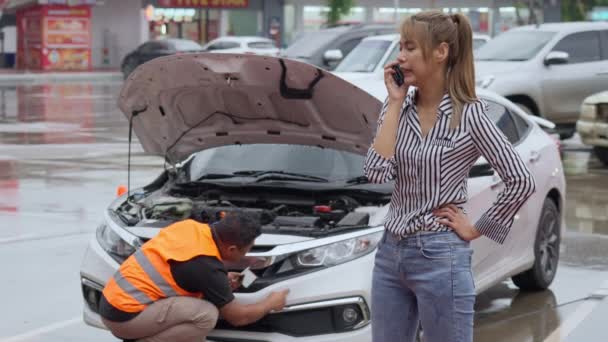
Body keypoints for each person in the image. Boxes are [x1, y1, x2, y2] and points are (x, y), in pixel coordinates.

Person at [364, 10, 536, 342]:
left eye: (410, 47)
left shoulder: (470, 114)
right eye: (401, 46)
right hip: (389, 255)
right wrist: (396, 103)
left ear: (441, 52)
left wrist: (476, 228)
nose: (400, 56)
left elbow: (520, 180)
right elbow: (376, 172)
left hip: (440, 257)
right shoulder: (395, 108)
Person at [99, 212, 289, 342]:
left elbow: (180, 270)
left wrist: (219, 279)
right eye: (247, 250)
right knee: (206, 314)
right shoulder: (205, 267)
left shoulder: (190, 227)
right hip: (124, 319)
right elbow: (238, 318)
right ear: (231, 248)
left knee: (200, 306)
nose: (246, 255)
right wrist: (270, 303)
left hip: (112, 301)